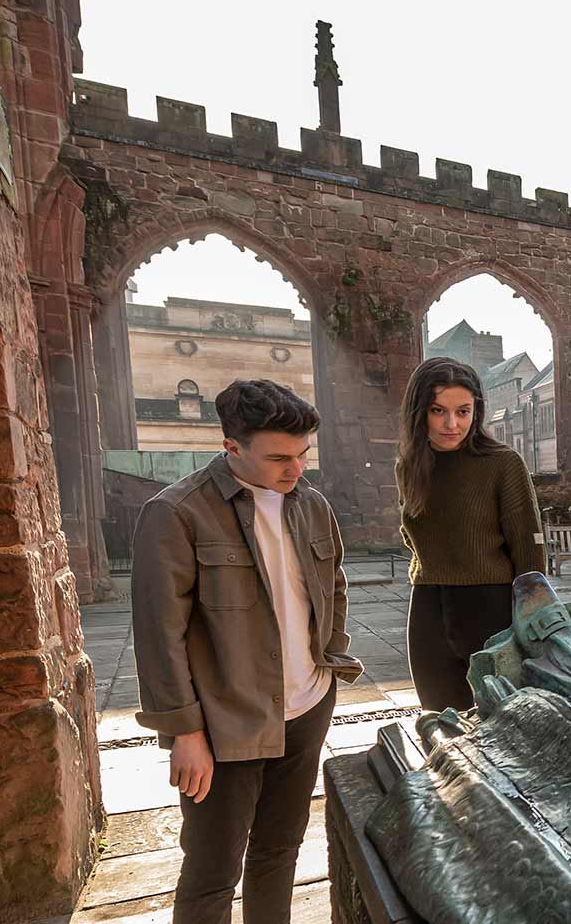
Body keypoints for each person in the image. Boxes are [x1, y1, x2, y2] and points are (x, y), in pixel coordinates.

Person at [131, 379, 362, 924]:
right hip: (223, 723)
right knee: (212, 873)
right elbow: (158, 634)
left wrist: (331, 658)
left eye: (303, 454)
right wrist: (185, 733)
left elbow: (333, 587)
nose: (295, 469)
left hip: (307, 709)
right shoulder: (176, 513)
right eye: (279, 457)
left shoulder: (312, 506)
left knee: (279, 853)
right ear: (231, 445)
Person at [397, 356, 545, 713]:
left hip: (490, 608)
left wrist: (532, 618)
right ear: (420, 412)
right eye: (438, 410)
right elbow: (414, 537)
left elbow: (528, 548)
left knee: (499, 726)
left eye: (463, 411)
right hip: (428, 608)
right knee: (440, 722)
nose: (452, 423)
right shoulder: (410, 466)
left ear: (476, 411)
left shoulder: (502, 463)